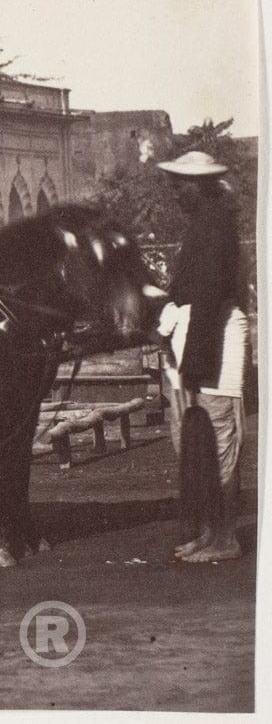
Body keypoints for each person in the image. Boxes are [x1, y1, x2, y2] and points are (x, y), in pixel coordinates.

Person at [155, 150, 249, 563]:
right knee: (201, 441)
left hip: (214, 338)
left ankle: (225, 538)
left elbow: (209, 298)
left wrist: (194, 363)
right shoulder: (204, 223)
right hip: (198, 337)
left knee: (219, 439)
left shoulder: (215, 226)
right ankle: (211, 532)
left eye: (181, 184)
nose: (175, 191)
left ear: (200, 186)